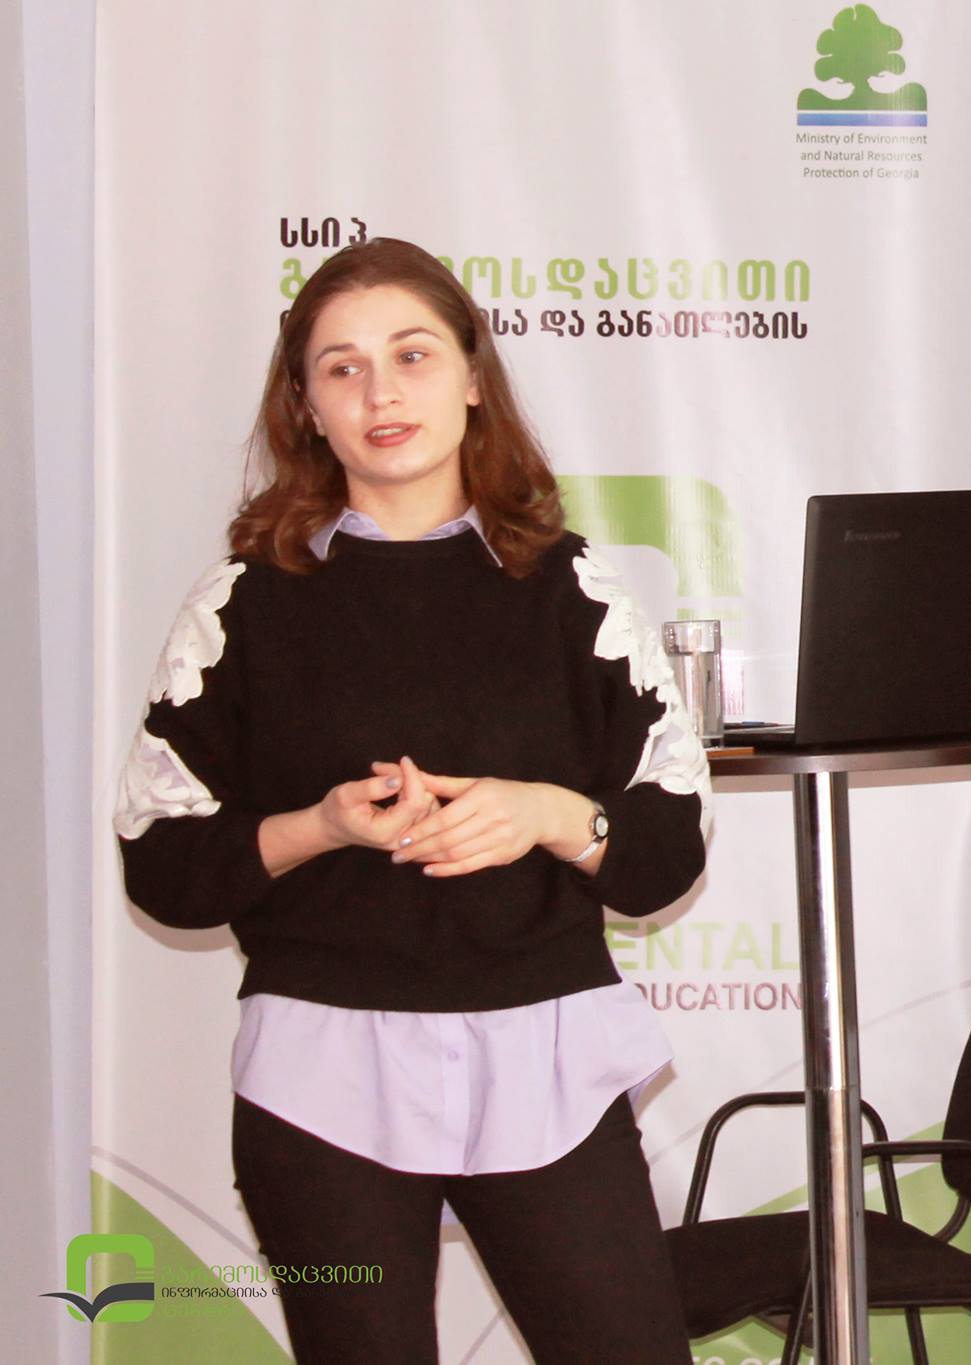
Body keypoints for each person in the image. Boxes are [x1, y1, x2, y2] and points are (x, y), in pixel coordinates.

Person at [113, 238, 707, 1364]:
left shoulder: (575, 588)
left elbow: (665, 847)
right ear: (305, 407)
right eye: (341, 368)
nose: (380, 393)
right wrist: (321, 827)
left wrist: (548, 815)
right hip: (318, 1080)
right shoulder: (240, 604)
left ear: (473, 377)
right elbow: (163, 862)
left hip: (547, 1058)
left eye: (412, 355)